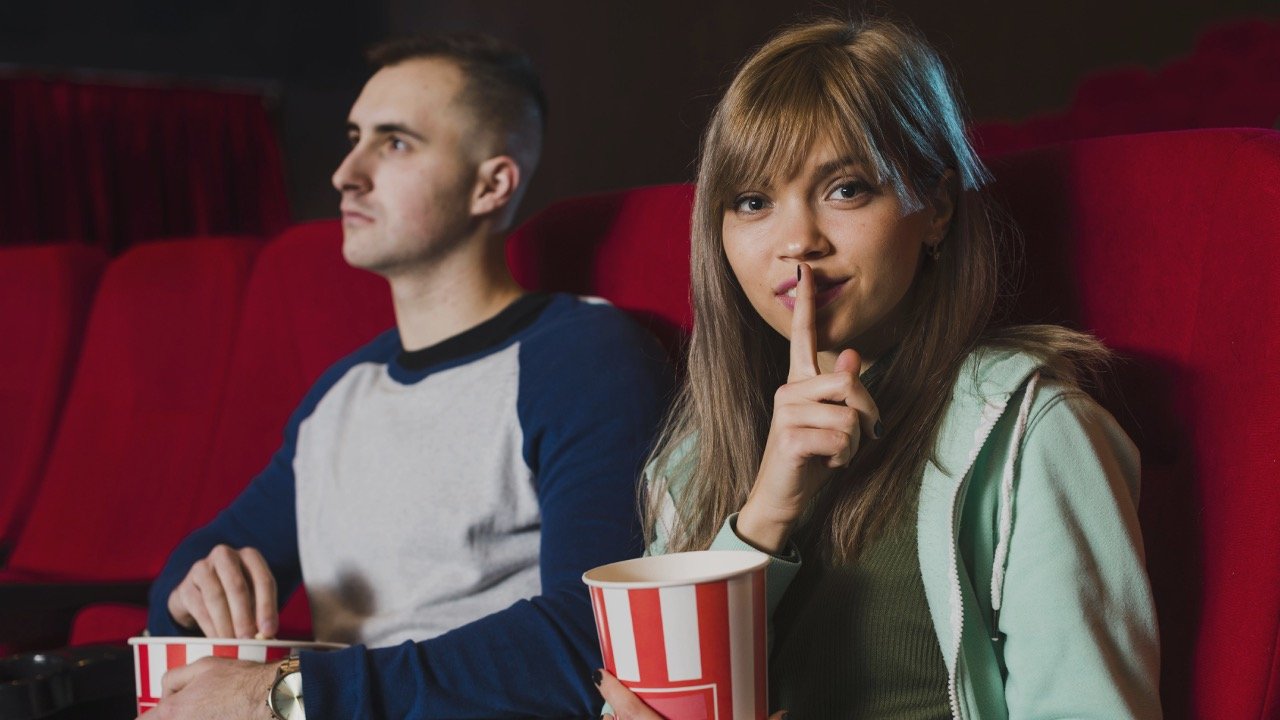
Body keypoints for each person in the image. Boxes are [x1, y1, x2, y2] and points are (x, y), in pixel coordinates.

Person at [596, 17, 1161, 720]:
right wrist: (766, 513)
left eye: (846, 189)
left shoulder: (1031, 431)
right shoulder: (686, 466)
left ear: (938, 209)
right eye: (752, 202)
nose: (797, 241)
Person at [144, 33, 673, 719]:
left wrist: (282, 697)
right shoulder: (341, 393)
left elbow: (593, 638)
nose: (346, 173)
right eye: (354, 136)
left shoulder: (583, 357)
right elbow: (175, 591)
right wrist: (200, 586)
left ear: (492, 183)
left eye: (394, 143)